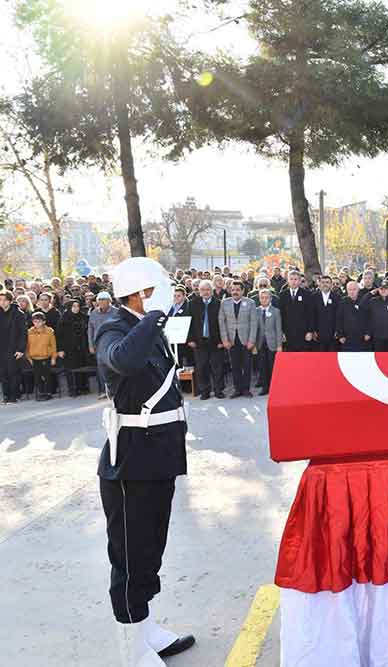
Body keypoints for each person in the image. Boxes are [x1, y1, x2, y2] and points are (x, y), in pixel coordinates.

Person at [95, 257, 195, 665]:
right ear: (139, 294)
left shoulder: (148, 326)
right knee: (131, 558)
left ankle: (146, 628)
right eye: (158, 290)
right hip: (131, 464)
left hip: (159, 456)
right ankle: (131, 652)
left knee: (151, 551)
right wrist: (154, 315)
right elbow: (123, 360)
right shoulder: (113, 327)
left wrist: (157, 318)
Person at [186, 280, 225, 399]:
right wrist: (190, 339)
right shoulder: (192, 303)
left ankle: (218, 390)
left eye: (208, 290)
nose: (205, 292)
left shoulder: (219, 304)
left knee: (217, 367)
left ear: (212, 290)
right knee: (201, 367)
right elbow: (188, 323)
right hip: (198, 342)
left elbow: (223, 323)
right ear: (199, 291)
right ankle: (205, 391)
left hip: (215, 341)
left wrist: (222, 341)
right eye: (203, 290)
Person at [218, 281, 258, 398]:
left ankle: (246, 389)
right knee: (234, 365)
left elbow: (254, 322)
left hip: (246, 340)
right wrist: (225, 340)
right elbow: (221, 321)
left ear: (242, 291)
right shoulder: (224, 303)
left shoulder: (250, 302)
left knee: (246, 365)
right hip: (231, 340)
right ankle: (237, 389)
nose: (235, 292)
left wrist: (252, 340)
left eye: (237, 290)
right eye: (233, 289)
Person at [57, 299, 91, 395]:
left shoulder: (84, 317)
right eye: (73, 306)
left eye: (78, 306)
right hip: (68, 348)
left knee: (82, 366)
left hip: (82, 346)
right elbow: (59, 336)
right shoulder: (63, 319)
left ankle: (83, 387)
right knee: (70, 368)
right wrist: (60, 349)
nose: (76, 308)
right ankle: (73, 388)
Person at [278, 270, 315, 352]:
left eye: (296, 279)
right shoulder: (282, 295)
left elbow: (311, 314)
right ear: (288, 280)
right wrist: (282, 332)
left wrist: (310, 331)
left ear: (299, 281)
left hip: (303, 333)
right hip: (288, 332)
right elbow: (281, 315)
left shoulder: (307, 294)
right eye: (291, 279)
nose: (293, 281)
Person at [0, 291, 26, 403]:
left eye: (4, 300)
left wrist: (21, 349)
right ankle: (6, 395)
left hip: (13, 348)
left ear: (10, 301)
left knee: (13, 372)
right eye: (0, 300)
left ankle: (14, 396)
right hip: (1, 348)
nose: (2, 302)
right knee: (3, 372)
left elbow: (23, 333)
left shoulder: (18, 314)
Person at [255, 289, 282, 395]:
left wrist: (279, 345)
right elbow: (254, 328)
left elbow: (278, 329)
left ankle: (273, 386)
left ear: (270, 299)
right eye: (262, 297)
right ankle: (265, 387)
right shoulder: (256, 311)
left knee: (272, 365)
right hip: (260, 342)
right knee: (262, 365)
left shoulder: (276, 311)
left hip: (272, 343)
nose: (264, 299)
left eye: (267, 297)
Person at [27, 312, 57, 400]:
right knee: (37, 376)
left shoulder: (49, 331)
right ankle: (41, 392)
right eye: (35, 321)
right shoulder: (29, 332)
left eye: (39, 321)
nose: (37, 323)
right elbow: (27, 346)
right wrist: (29, 358)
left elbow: (53, 345)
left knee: (46, 376)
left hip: (46, 357)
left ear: (44, 321)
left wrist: (53, 357)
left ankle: (48, 392)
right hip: (34, 358)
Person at [336, 281, 371, 351]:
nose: (352, 291)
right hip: (347, 339)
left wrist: (368, 333)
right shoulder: (342, 302)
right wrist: (340, 335)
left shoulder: (364, 301)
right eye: (350, 289)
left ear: (358, 289)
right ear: (347, 290)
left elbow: (370, 318)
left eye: (354, 289)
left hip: (363, 338)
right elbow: (338, 320)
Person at [312, 275, 339, 352]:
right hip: (318, 334)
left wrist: (338, 330)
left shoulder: (337, 297)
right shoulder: (314, 297)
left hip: (333, 334)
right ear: (319, 284)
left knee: (331, 358)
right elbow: (312, 315)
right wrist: (313, 330)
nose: (325, 284)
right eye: (323, 282)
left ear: (331, 284)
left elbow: (339, 316)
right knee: (320, 359)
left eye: (327, 282)